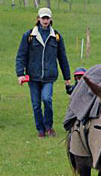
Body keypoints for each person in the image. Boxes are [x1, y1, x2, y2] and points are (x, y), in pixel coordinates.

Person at [15, 7, 71, 137]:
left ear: (51, 19)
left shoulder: (56, 37)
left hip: (49, 76)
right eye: (43, 18)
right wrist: (20, 74)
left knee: (46, 99)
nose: (45, 20)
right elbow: (21, 56)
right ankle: (40, 129)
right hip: (33, 76)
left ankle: (49, 127)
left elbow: (62, 57)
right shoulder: (29, 36)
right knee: (36, 105)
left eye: (47, 18)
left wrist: (67, 77)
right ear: (38, 19)